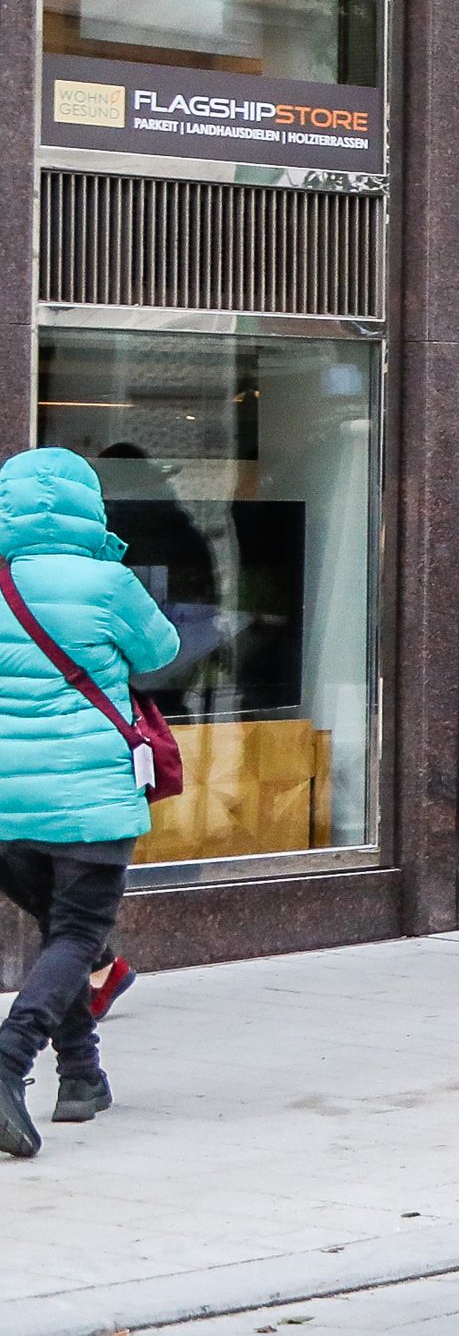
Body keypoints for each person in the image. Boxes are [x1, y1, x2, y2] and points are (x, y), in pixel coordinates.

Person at [0, 449, 179, 1157]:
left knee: (60, 933)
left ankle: (82, 1076)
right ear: (88, 506)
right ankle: (10, 1059)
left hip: (7, 799)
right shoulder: (108, 581)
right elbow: (161, 649)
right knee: (78, 933)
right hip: (89, 797)